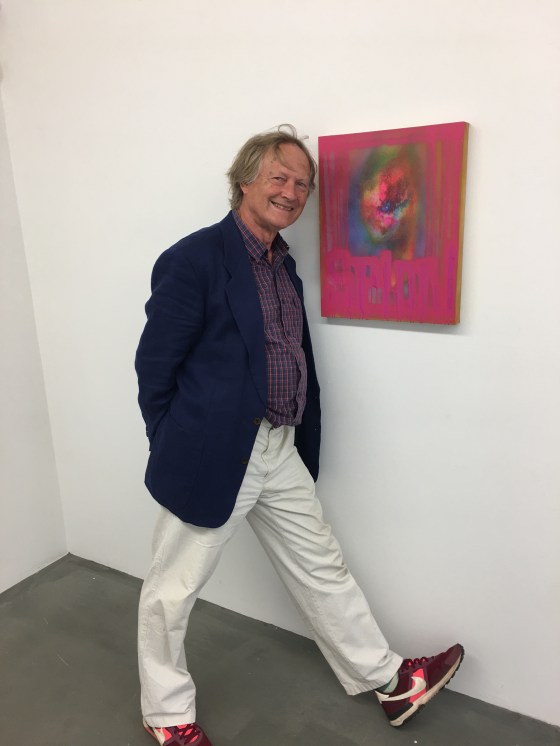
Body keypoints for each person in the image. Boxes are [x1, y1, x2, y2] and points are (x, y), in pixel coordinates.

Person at [135, 125, 464, 746]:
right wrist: (174, 440)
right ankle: (167, 715)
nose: (292, 192)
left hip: (278, 447)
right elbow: (155, 366)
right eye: (279, 178)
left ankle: (389, 681)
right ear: (244, 181)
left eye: (303, 185)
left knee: (321, 567)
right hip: (212, 453)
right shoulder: (193, 259)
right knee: (172, 591)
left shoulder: (283, 266)